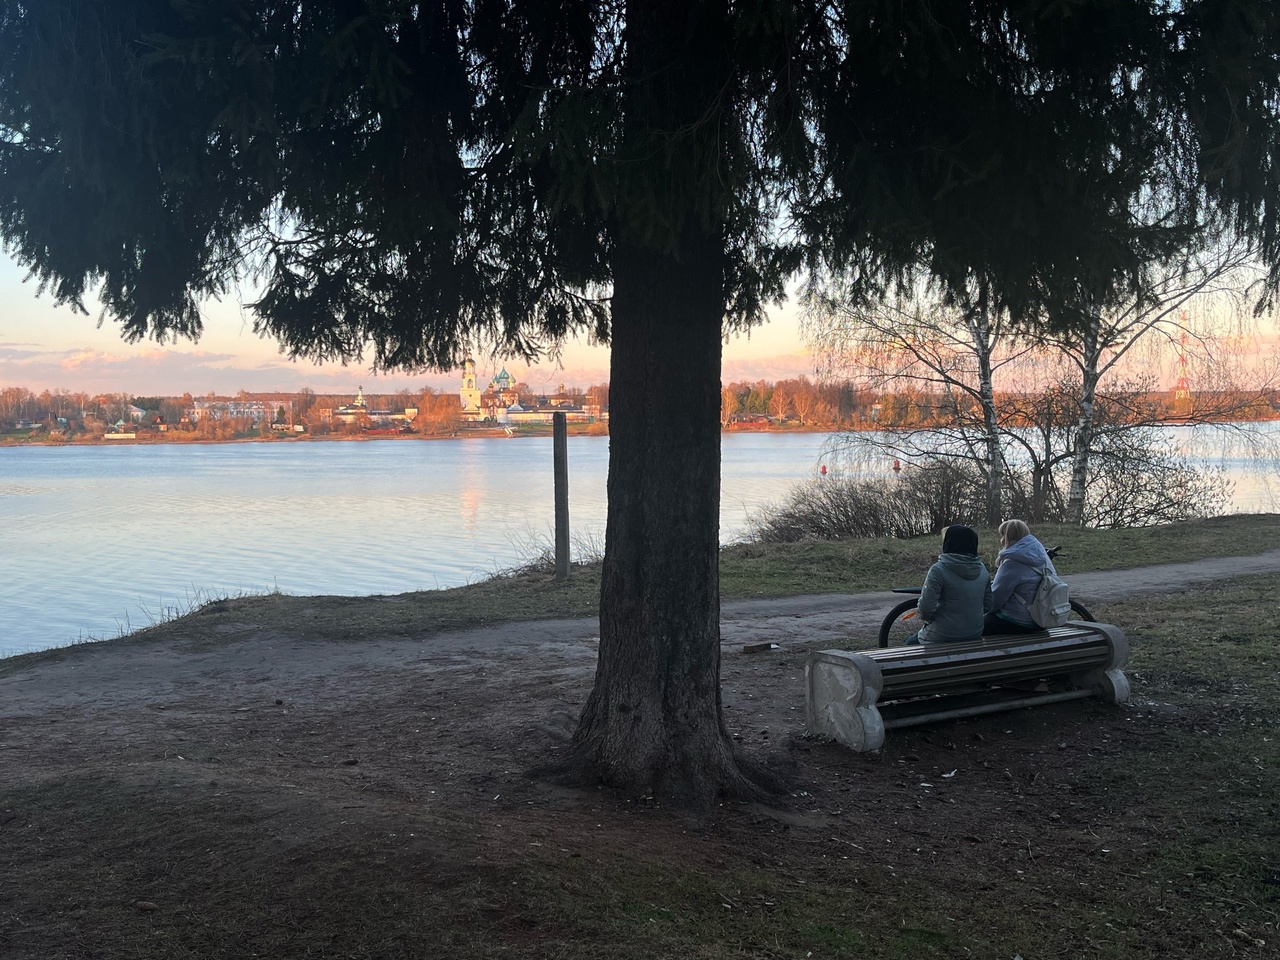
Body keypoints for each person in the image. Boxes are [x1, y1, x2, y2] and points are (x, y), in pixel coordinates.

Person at [908, 524, 992, 644]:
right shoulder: (983, 570)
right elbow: (988, 605)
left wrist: (928, 620)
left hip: (941, 635)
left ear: (948, 543)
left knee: (910, 644)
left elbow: (926, 608)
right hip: (974, 633)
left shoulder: (938, 570)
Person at [985, 519, 1057, 635]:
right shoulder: (1041, 555)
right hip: (1041, 619)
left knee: (975, 627)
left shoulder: (1012, 561)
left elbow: (996, 599)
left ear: (1007, 537)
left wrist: (982, 609)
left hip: (1017, 621)